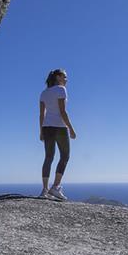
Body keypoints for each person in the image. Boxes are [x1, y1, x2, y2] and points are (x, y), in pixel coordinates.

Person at [39, 69, 77, 201]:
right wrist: (71, 128)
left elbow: (41, 114)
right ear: (58, 77)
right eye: (65, 77)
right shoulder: (61, 89)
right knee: (65, 156)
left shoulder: (44, 93)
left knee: (48, 157)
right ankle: (55, 187)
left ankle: (44, 190)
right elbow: (63, 111)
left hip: (47, 127)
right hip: (60, 127)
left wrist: (41, 131)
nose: (66, 79)